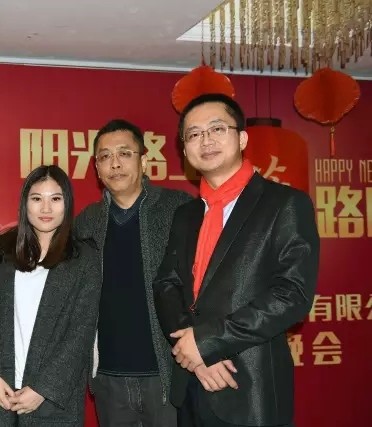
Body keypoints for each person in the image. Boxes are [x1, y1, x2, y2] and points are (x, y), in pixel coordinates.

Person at [153, 93, 320, 427]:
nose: (206, 140)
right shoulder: (185, 214)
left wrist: (209, 343)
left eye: (217, 129)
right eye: (194, 134)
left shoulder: (285, 204)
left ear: (242, 138)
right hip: (191, 383)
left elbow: (292, 294)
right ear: (184, 150)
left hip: (250, 388)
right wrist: (195, 352)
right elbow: (167, 284)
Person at [73, 119, 191, 426]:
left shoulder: (179, 208)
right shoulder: (86, 222)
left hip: (168, 373)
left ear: (144, 160)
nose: (115, 163)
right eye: (105, 156)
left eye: (125, 153)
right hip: (108, 379)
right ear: (96, 168)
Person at [0, 164, 101, 427]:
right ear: (25, 204)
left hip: (54, 401)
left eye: (55, 199)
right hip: (1, 392)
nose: (46, 208)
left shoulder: (84, 259)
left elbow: (81, 331)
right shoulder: (1, 253)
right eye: (37, 199)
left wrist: (43, 388)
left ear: (67, 203)